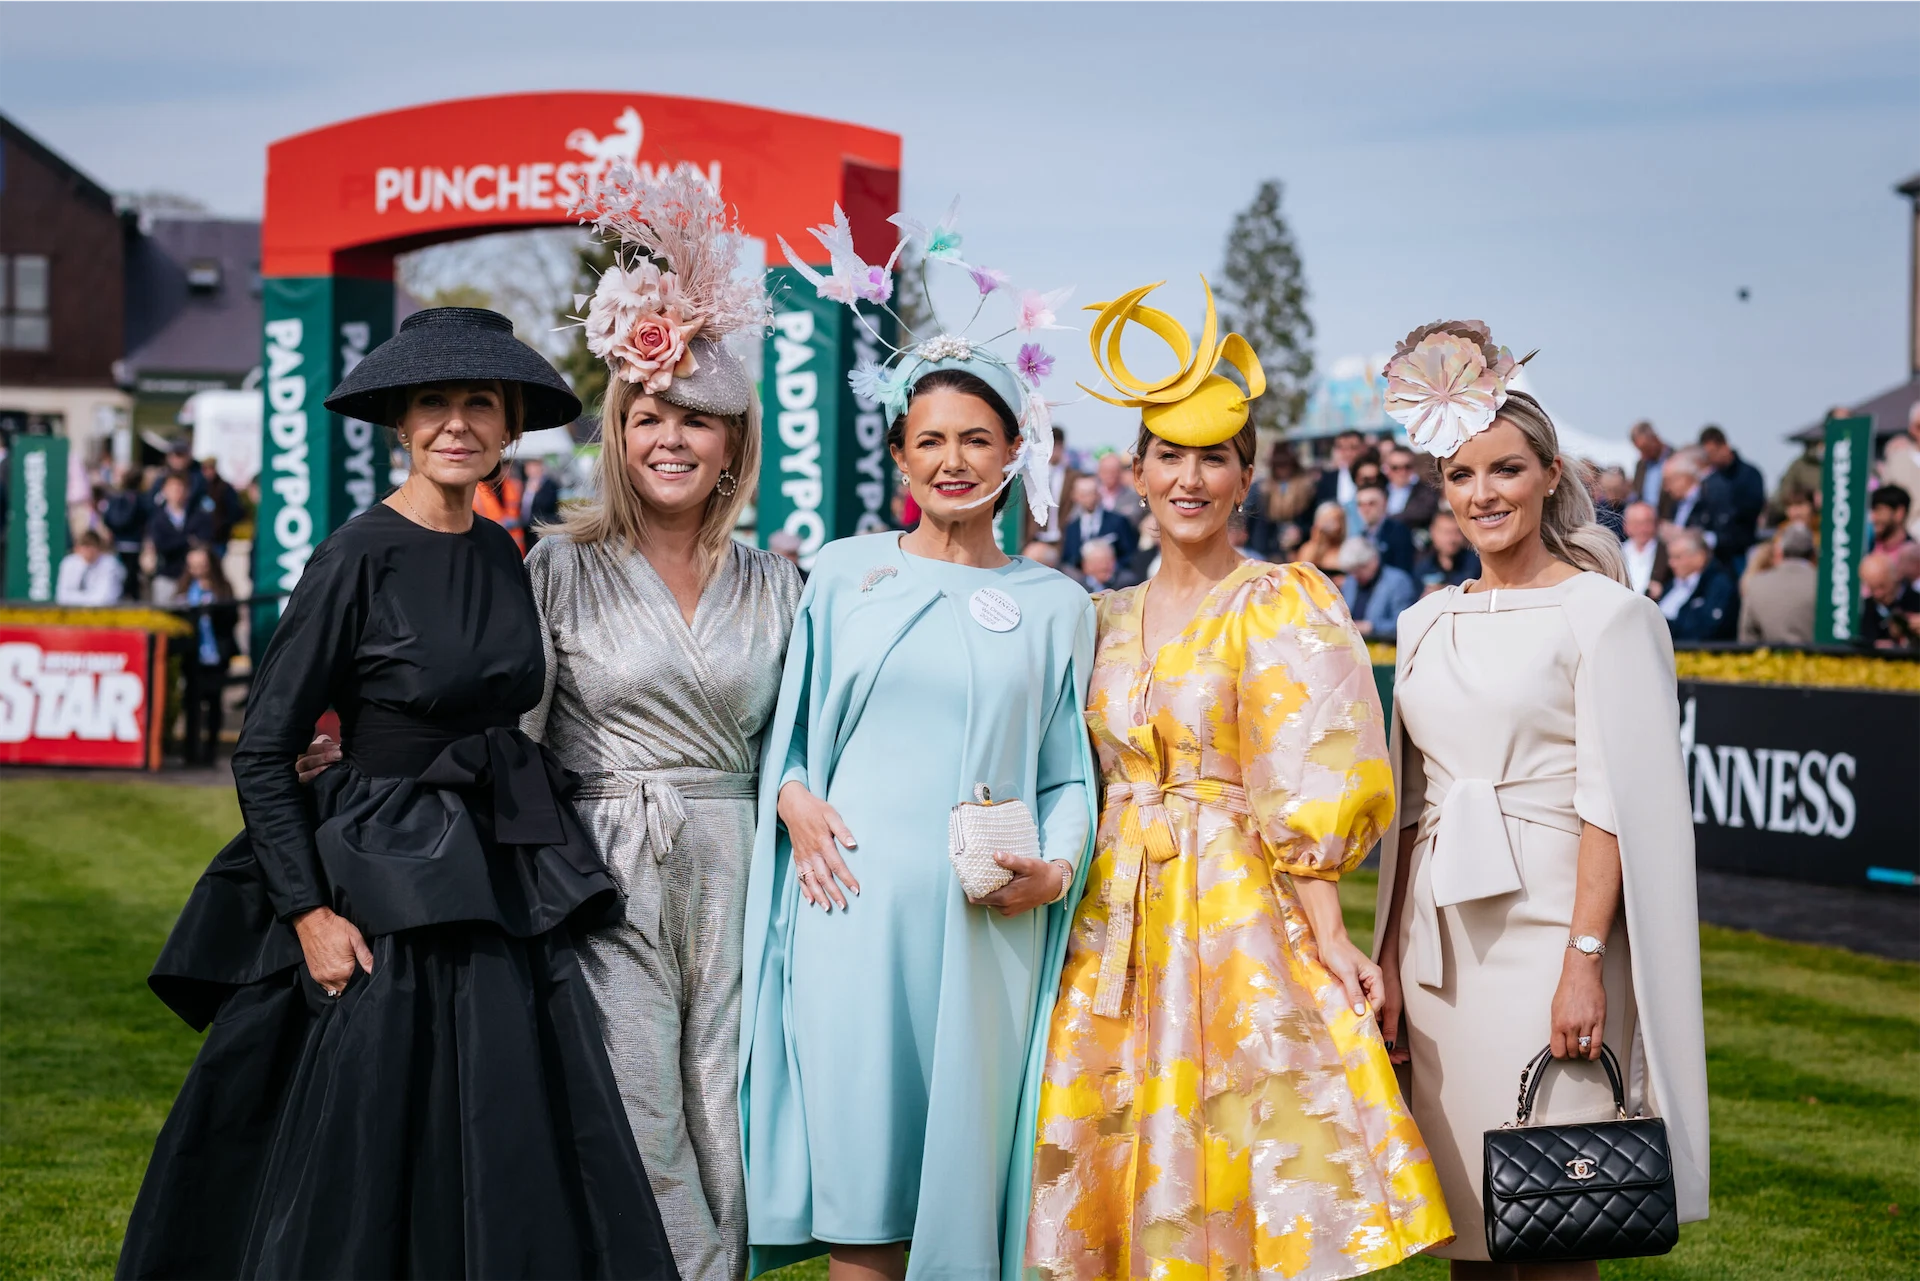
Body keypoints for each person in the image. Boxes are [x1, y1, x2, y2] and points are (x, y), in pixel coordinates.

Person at [118, 307, 677, 1281]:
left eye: (479, 404)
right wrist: (309, 914)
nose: (456, 424)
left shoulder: (503, 550)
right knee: (375, 1147)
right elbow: (265, 748)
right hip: (382, 883)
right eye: (433, 404)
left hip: (497, 872)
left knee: (507, 1133)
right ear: (401, 423)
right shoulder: (356, 555)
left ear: (509, 426)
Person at [1028, 279, 1450, 1278]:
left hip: (1236, 910)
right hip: (1112, 915)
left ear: (1245, 478)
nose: (1190, 478)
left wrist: (1332, 934)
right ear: (1135, 472)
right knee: (1114, 1142)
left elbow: (1314, 770)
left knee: (1245, 1147)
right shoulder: (1096, 617)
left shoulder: (1282, 601)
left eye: (1213, 457)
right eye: (1169, 456)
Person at [746, 209, 1094, 1279]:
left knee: (964, 1189)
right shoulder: (842, 573)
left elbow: (1067, 772)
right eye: (930, 440)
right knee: (866, 1191)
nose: (953, 460)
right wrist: (792, 798)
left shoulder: (1059, 604)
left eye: (976, 438)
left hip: (986, 928)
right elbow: (787, 734)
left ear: (1014, 451)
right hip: (849, 910)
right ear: (898, 452)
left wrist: (1055, 869)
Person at [1371, 321, 1709, 1276]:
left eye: (1506, 469)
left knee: (1562, 1214)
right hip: (1441, 961)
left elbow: (1615, 805)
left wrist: (1584, 963)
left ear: (1551, 475)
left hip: (1556, 939)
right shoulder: (1423, 620)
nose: (1484, 493)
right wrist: (1388, 957)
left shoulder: (1609, 615)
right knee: (1470, 1228)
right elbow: (1409, 810)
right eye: (1462, 475)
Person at [177, 543, 238, 766]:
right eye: (193, 565)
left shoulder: (223, 589)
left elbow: (231, 619)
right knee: (191, 704)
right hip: (193, 656)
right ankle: (190, 752)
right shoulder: (185, 589)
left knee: (214, 703)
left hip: (216, 655)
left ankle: (210, 752)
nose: (197, 570)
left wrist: (212, 611)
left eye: (201, 565)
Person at [1738, 524, 1816, 645]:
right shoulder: (1828, 587)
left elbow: (1747, 639)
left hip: (1769, 656)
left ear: (1780, 552)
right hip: (1820, 656)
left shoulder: (1756, 584)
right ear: (1814, 554)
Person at [1697, 425, 1764, 567]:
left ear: (1725, 446)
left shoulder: (1750, 475)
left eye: (1713, 452)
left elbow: (1751, 509)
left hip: (1741, 551)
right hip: (1716, 554)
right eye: (1707, 455)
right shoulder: (1710, 481)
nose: (1711, 458)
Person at [144, 471, 214, 604]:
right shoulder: (157, 518)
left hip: (193, 579)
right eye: (173, 488)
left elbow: (204, 542)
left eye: (180, 487)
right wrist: (186, 540)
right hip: (167, 576)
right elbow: (161, 545)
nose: (177, 492)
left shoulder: (199, 516)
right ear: (164, 490)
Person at [1243, 437, 1317, 556]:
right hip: (1263, 549)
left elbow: (1313, 520)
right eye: (1278, 464)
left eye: (1285, 463)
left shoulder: (1308, 487)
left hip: (1298, 550)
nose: (1282, 468)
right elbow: (1249, 521)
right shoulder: (1261, 489)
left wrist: (1301, 531)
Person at [1661, 527, 1737, 642]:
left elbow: (1708, 630)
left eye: (1677, 557)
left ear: (1699, 557)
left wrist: (1668, 627)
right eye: (1670, 557)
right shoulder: (1672, 584)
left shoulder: (1719, 585)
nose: (1671, 563)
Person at [1339, 534, 1418, 641]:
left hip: (1384, 644)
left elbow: (1404, 623)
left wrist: (1372, 627)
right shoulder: (1351, 582)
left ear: (1374, 561)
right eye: (1352, 571)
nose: (1356, 575)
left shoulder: (1397, 581)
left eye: (1360, 568)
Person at [1060, 473, 1138, 568]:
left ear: (1099, 494)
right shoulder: (1072, 527)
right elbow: (1068, 558)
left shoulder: (1118, 521)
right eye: (1083, 494)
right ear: (1075, 496)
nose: (1088, 498)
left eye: (1091, 493)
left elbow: (1130, 554)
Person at [101, 466, 149, 600]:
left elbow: (107, 518)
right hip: (135, 543)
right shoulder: (141, 499)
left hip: (117, 543)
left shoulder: (114, 497)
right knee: (132, 579)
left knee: (120, 577)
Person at [1353, 478, 1417, 572]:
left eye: (1371, 503)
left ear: (1384, 503)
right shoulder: (1361, 536)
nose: (1365, 509)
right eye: (1360, 504)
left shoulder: (1399, 531)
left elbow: (1403, 571)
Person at [1859, 551, 1920, 648]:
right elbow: (1865, 638)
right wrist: (1876, 645)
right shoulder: (1869, 606)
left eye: (1882, 586)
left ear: (1895, 576)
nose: (1878, 594)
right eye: (1872, 588)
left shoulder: (1916, 600)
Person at [1415, 509, 1480, 595]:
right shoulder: (1423, 568)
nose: (1451, 539)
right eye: (1446, 532)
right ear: (1433, 532)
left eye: (1457, 532)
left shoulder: (1478, 564)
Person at [54, 528, 125, 605]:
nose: (88, 551)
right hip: (74, 610)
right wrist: (88, 598)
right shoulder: (68, 563)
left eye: (92, 546)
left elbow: (104, 599)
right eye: (85, 546)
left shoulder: (110, 564)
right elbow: (62, 596)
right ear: (77, 548)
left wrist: (74, 598)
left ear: (99, 548)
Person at [1620, 499, 1670, 598]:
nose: (1642, 529)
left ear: (1656, 524)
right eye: (1636, 523)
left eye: (1647, 522)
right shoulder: (1619, 551)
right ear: (1626, 526)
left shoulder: (1667, 552)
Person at [1384, 442, 1440, 530]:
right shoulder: (1380, 490)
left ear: (1414, 467)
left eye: (1407, 467)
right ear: (1387, 469)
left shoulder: (1426, 492)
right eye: (1395, 467)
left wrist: (1384, 520)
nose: (1402, 472)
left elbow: (1421, 514)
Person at [473, 464, 527, 552]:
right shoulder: (477, 492)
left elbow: (524, 511)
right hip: (491, 542)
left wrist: (517, 521)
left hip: (515, 544)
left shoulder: (512, 485)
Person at [1312, 427, 1366, 511]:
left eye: (1353, 448)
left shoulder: (1374, 476)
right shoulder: (1326, 480)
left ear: (1363, 449)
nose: (1347, 453)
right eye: (1342, 448)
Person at [1296, 499, 1348, 577]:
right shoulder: (1309, 548)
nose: (1337, 525)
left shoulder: (1347, 548)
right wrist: (1317, 540)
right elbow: (1302, 572)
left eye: (1339, 520)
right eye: (1330, 520)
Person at [520, 454, 562, 549]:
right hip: (526, 529)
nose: (528, 469)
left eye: (532, 466)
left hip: (541, 527)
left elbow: (548, 505)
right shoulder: (525, 484)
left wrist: (537, 492)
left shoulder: (549, 484)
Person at [1628, 419, 1671, 508]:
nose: (1642, 454)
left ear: (1654, 439)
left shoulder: (1675, 459)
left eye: (1644, 448)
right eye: (1639, 450)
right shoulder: (1640, 465)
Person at [1869, 483, 1912, 557]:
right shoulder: (1867, 548)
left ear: (1899, 513)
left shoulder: (1913, 556)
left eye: (1879, 510)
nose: (1873, 518)